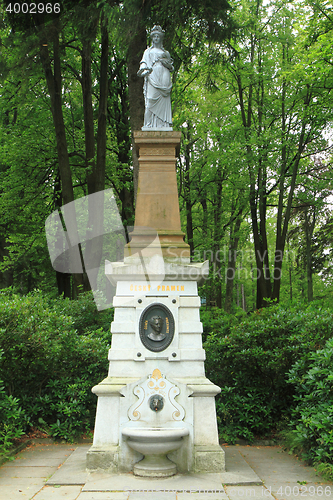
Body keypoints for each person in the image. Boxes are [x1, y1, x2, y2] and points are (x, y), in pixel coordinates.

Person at [137, 25, 173, 129]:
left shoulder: (165, 53)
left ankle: (163, 124)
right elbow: (143, 63)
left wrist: (165, 63)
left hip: (163, 76)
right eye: (154, 36)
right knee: (150, 100)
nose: (156, 38)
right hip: (152, 76)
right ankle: (148, 124)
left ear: (161, 38)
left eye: (158, 36)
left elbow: (171, 66)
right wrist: (143, 70)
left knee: (163, 99)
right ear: (152, 38)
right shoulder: (147, 52)